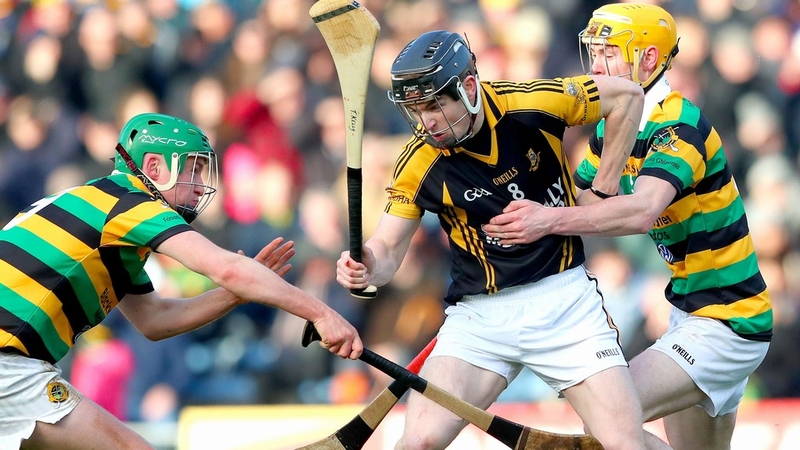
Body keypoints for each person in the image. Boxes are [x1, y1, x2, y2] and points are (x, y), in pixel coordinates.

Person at [336, 30, 647, 450]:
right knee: (418, 443)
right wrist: (366, 265)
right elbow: (387, 250)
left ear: (467, 88)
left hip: (564, 304)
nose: (426, 122)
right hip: (479, 319)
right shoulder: (420, 161)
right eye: (415, 110)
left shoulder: (534, 102)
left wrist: (602, 191)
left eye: (433, 106)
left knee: (625, 444)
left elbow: (626, 96)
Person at [482, 4, 772, 450]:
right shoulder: (611, 128)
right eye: (593, 52)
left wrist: (546, 221)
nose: (596, 66)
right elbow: (580, 205)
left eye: (609, 53)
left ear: (650, 59)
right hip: (687, 315)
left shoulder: (678, 124)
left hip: (727, 320)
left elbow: (640, 211)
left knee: (607, 418)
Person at [0, 112, 363, 450]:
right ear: (154, 167)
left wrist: (235, 295)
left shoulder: (104, 219)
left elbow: (155, 321)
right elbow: (226, 267)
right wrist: (320, 313)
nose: (201, 186)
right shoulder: (128, 202)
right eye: (194, 170)